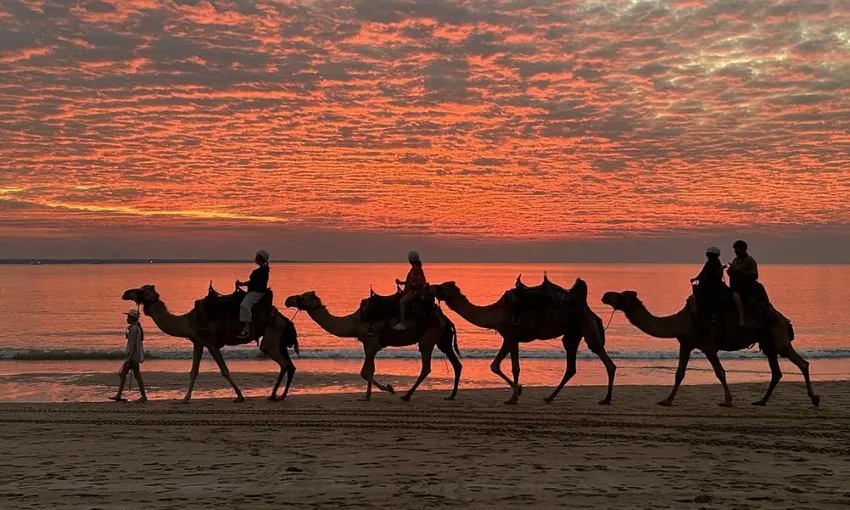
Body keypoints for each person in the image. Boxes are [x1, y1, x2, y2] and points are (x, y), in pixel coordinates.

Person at [110, 309, 147, 403]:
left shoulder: (134, 329)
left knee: (123, 374)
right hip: (135, 356)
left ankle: (120, 395)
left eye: (128, 317)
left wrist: (128, 357)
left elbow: (132, 344)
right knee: (136, 375)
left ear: (132, 318)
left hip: (132, 357)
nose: (127, 318)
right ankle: (142, 396)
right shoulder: (135, 328)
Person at [690, 246, 735, 322]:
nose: (707, 255)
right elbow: (702, 273)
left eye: (708, 254)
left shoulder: (714, 263)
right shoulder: (711, 263)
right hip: (709, 284)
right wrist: (695, 278)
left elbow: (710, 276)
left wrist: (699, 280)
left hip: (713, 286)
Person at [236, 249, 270, 338]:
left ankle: (247, 328)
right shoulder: (263, 270)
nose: (255, 258)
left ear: (260, 259)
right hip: (255, 291)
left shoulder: (261, 271)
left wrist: (242, 284)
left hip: (257, 293)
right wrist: (243, 284)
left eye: (257, 257)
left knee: (244, 305)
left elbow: (254, 283)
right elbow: (253, 282)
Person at [393, 250, 427, 331]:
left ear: (410, 260)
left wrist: (405, 284)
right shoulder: (418, 268)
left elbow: (414, 283)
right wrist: (401, 282)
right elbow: (411, 281)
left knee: (401, 302)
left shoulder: (415, 270)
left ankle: (402, 323)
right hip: (418, 290)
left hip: (416, 292)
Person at [727, 240, 759, 326]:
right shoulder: (736, 260)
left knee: (736, 296)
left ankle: (742, 319)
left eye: (737, 249)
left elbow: (755, 276)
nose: (736, 251)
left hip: (745, 287)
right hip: (735, 285)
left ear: (743, 249)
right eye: (735, 249)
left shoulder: (750, 261)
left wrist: (740, 271)